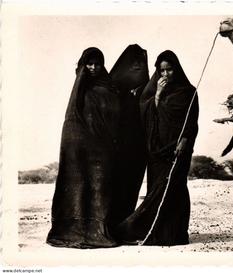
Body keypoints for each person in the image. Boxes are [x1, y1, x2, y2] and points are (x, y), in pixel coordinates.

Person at [114, 50, 199, 246]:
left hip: (179, 149)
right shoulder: (152, 92)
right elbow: (145, 114)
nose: (166, 74)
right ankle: (156, 232)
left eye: (170, 69)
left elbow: (192, 121)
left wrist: (184, 141)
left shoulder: (189, 92)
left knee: (175, 189)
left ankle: (176, 234)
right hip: (157, 150)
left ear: (176, 69)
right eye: (162, 70)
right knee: (157, 190)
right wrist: (158, 95)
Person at [46, 47, 120, 248]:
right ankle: (73, 230)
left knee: (100, 188)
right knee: (78, 186)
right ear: (83, 65)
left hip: (103, 149)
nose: (94, 67)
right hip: (79, 149)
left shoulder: (110, 88)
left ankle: (99, 231)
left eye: (98, 63)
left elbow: (116, 117)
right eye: (89, 63)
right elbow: (72, 122)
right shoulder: (78, 89)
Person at [107, 44, 150, 229]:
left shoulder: (148, 88)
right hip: (116, 147)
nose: (138, 67)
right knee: (115, 187)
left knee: (131, 187)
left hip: (138, 148)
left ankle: (124, 225)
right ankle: (110, 226)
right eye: (134, 63)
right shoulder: (113, 88)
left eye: (141, 63)